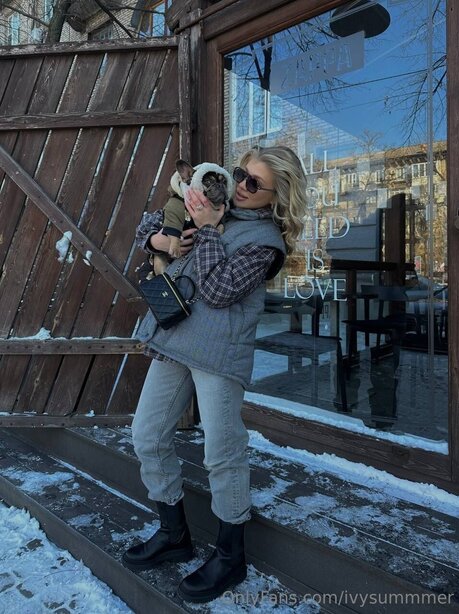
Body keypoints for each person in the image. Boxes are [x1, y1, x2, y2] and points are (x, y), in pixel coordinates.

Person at [123, 145, 307, 603]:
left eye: (254, 183)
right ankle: (173, 534)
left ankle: (230, 556)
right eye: (241, 173)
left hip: (220, 355)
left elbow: (220, 290)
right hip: (176, 339)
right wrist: (162, 242)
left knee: (222, 454)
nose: (241, 185)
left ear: (277, 196)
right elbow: (148, 224)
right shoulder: (211, 200)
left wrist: (206, 231)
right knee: (146, 435)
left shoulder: (266, 243)